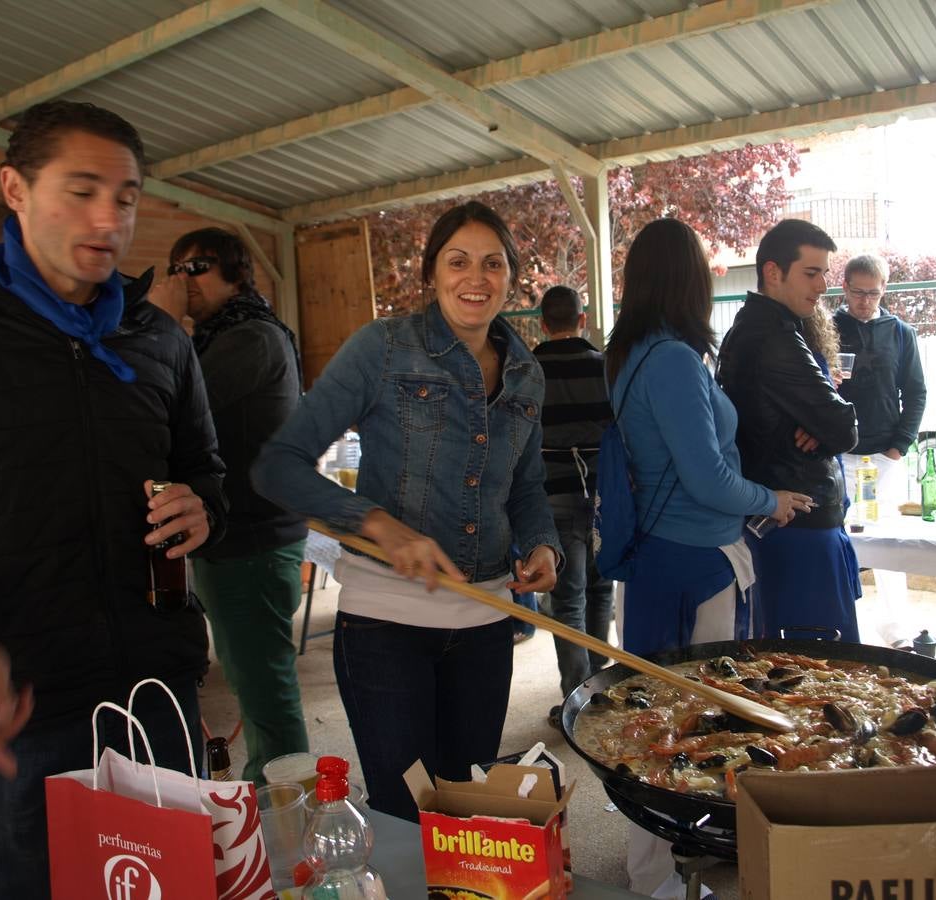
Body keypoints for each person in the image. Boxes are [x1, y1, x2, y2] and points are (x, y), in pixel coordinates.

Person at [253, 201, 561, 822]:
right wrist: (377, 524)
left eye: (492, 264)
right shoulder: (383, 349)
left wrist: (542, 543)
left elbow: (526, 485)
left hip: (485, 620)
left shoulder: (527, 374)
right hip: (384, 623)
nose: (475, 278)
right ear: (431, 274)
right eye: (458, 261)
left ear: (511, 278)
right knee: (402, 813)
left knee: (468, 812)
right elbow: (278, 465)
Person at [0, 100, 226, 896]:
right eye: (82, 190)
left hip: (154, 686)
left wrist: (204, 508)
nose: (108, 218)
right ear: (15, 188)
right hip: (23, 704)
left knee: (173, 882)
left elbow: (207, 470)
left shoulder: (158, 341)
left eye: (125, 198)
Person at [604, 217, 807, 899]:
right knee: (686, 719)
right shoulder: (671, 360)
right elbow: (706, 478)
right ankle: (656, 870)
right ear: (687, 279)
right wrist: (770, 498)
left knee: (658, 712)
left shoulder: (637, 354)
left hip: (664, 557)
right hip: (691, 561)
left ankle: (659, 860)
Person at [148, 227, 309, 783]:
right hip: (241, 537)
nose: (181, 280)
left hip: (253, 542)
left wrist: (160, 325)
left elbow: (168, 402)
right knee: (255, 681)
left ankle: (285, 808)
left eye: (197, 267)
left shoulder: (250, 337)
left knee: (265, 689)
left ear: (236, 271)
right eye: (176, 267)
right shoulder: (224, 335)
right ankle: (275, 793)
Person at [718, 219, 861, 643]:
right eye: (811, 273)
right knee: (819, 670)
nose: (822, 286)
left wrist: (820, 423)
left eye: (825, 273)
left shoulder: (755, 327)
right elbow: (844, 426)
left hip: (782, 516)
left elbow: (827, 422)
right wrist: (826, 424)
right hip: (797, 523)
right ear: (773, 272)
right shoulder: (775, 336)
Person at [833, 254, 926, 647]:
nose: (865, 301)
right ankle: (843, 629)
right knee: (840, 545)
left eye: (873, 293)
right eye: (858, 292)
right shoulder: (827, 327)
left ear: (884, 289)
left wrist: (899, 446)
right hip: (839, 456)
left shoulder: (901, 332)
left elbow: (916, 392)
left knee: (889, 545)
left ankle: (896, 633)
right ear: (845, 289)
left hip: (883, 459)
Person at [532, 285, 615, 728]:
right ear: (582, 321)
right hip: (604, 497)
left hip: (553, 496)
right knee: (602, 591)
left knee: (568, 602)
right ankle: (599, 686)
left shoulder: (528, 371)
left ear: (543, 324)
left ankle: (576, 697)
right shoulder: (605, 367)